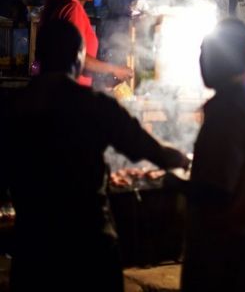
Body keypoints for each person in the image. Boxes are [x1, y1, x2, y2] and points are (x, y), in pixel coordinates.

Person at [4, 19, 189, 292]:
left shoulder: (11, 107)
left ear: (39, 56)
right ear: (79, 57)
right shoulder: (93, 104)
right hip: (89, 244)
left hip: (33, 248)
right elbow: (145, 147)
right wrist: (182, 158)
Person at [180, 19, 245, 292]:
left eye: (204, 51)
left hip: (227, 252)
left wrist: (177, 186)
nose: (201, 60)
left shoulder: (228, 109)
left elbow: (215, 190)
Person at [40, 0, 133, 87]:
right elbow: (78, 57)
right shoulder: (73, 8)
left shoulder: (65, 7)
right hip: (70, 92)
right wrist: (115, 69)